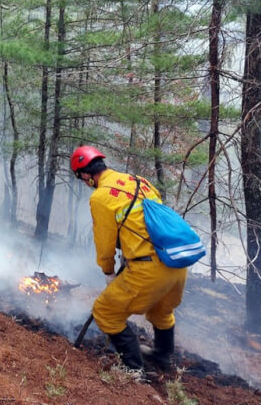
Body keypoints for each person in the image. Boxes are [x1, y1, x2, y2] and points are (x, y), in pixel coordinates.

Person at [71, 145, 187, 373]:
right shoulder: (140, 181)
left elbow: (104, 243)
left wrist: (108, 272)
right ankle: (163, 358)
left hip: (148, 269)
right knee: (161, 312)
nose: (84, 182)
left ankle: (135, 369)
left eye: (82, 178)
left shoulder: (101, 197)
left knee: (105, 312)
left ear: (86, 174)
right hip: (176, 264)